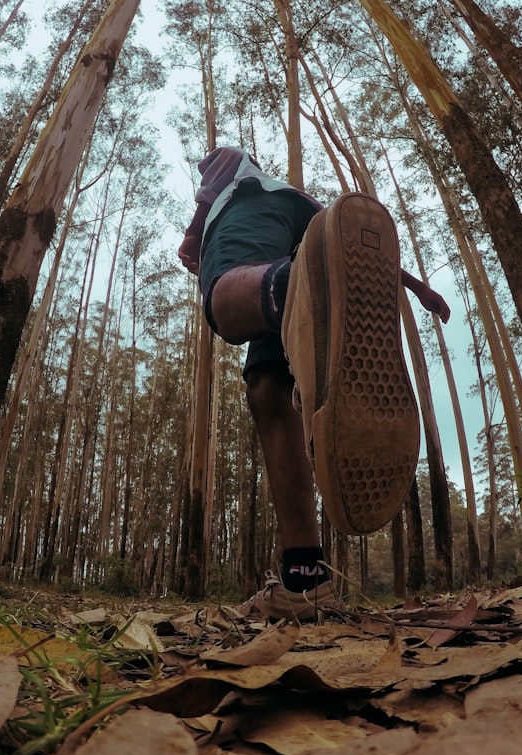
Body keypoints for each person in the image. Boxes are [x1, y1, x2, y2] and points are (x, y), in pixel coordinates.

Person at [178, 146, 450, 621]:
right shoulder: (294, 199)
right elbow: (334, 245)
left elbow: (219, 169)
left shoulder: (236, 173)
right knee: (270, 385)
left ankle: (292, 287)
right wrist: (414, 286)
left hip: (268, 232)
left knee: (224, 305)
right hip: (308, 234)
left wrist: (193, 235)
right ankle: (305, 581)